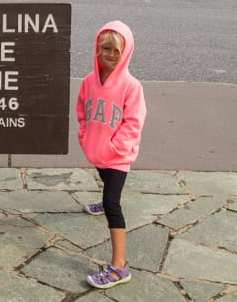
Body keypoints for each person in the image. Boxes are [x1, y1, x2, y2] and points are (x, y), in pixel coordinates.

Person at [77, 20, 146, 289]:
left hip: (118, 156)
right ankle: (103, 200)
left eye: (117, 50)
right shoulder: (88, 82)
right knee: (103, 176)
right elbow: (83, 110)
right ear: (97, 48)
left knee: (113, 204)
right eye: (106, 48)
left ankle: (119, 267)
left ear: (126, 52)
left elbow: (133, 124)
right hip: (97, 151)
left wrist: (114, 148)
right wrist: (85, 136)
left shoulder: (132, 86)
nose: (111, 55)